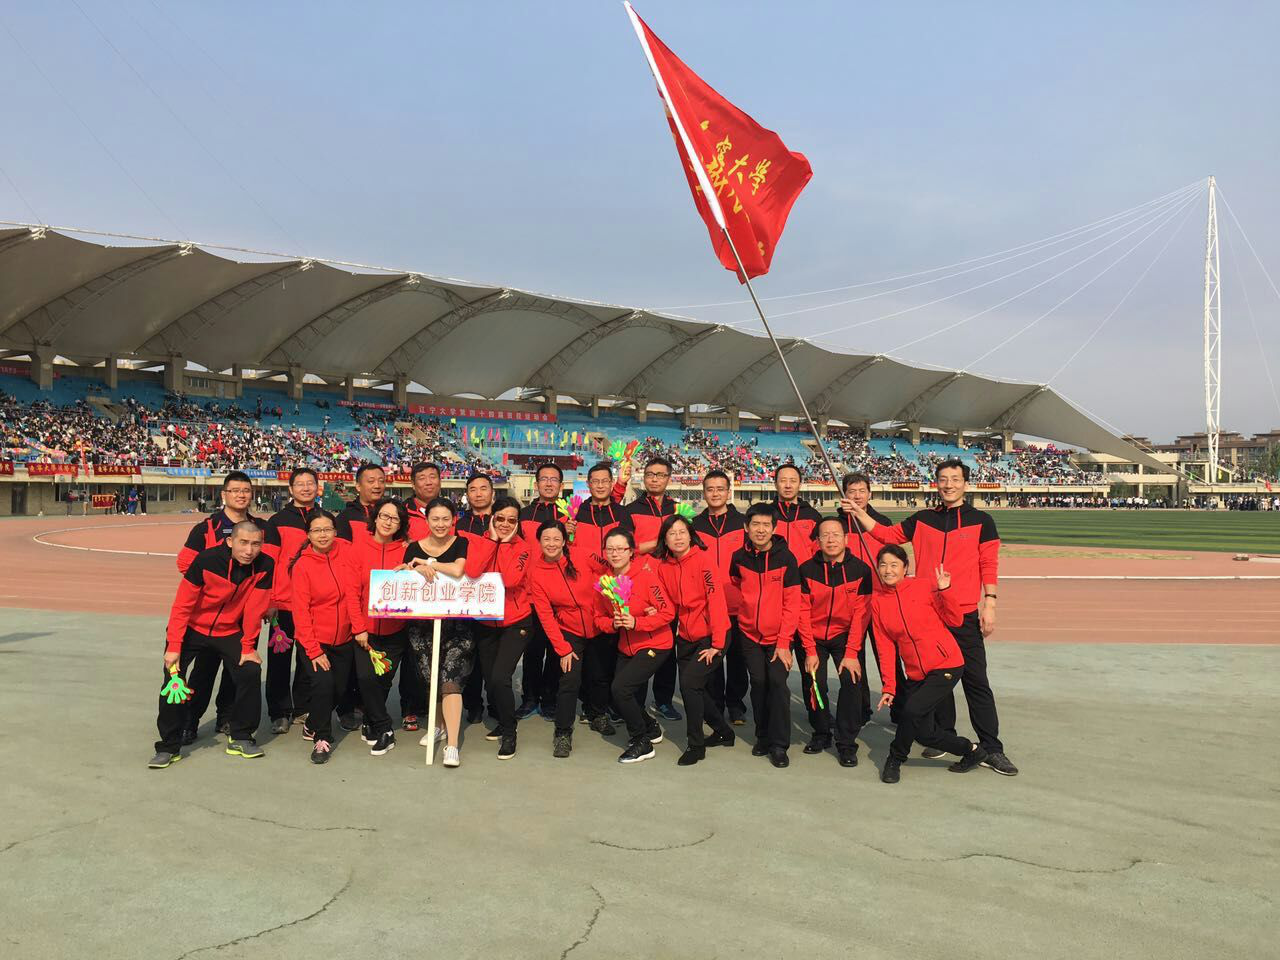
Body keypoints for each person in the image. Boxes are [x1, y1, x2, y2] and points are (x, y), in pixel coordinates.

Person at [845, 459, 1017, 776]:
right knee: (933, 679)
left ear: (965, 483)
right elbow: (887, 534)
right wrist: (859, 513)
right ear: (936, 483)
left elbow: (988, 564)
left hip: (963, 613)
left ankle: (992, 748)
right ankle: (944, 736)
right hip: (928, 613)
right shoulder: (923, 519)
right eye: (943, 479)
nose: (949, 484)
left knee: (976, 682)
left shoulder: (982, 521)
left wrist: (990, 603)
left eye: (955, 479)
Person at [149, 521, 273, 768]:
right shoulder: (207, 561)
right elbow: (183, 604)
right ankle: (169, 746)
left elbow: (254, 608)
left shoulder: (265, 565)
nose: (249, 550)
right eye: (243, 543)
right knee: (174, 682)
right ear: (230, 541)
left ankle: (240, 736)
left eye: (255, 544)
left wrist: (248, 647)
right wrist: (174, 645)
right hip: (191, 630)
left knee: (250, 670)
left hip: (228, 631)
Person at [869, 544, 988, 783]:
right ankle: (972, 751)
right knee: (923, 733)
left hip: (946, 663)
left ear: (905, 568)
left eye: (894, 565)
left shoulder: (923, 587)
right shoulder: (878, 601)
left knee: (911, 710)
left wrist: (946, 590)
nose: (888, 570)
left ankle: (895, 759)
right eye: (883, 565)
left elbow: (955, 620)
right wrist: (889, 686)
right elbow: (885, 647)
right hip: (916, 672)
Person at [175, 471, 275, 740]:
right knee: (204, 671)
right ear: (224, 495)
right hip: (210, 615)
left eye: (246, 490)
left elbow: (268, 569)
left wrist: (268, 601)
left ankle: (227, 718)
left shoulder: (259, 528)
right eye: (235, 490)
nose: (241, 495)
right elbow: (185, 563)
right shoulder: (207, 528)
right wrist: (216, 589)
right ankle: (189, 722)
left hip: (245, 615)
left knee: (238, 670)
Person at [730, 502, 811, 769]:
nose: (761, 530)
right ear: (746, 527)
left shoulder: (786, 559)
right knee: (758, 683)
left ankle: (779, 744)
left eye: (766, 525)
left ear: (774, 528)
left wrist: (784, 642)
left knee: (777, 684)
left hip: (779, 638)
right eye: (756, 524)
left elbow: (793, 604)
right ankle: (762, 736)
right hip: (749, 634)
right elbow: (737, 584)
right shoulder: (739, 557)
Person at [653, 514, 735, 765]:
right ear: (665, 540)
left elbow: (716, 601)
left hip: (712, 635)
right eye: (672, 533)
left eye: (682, 532)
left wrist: (717, 644)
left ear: (690, 535)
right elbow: (666, 602)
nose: (677, 537)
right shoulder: (664, 566)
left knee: (689, 684)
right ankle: (724, 732)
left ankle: (696, 745)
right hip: (686, 636)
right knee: (693, 688)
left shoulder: (704, 561)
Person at [400, 497, 471, 768]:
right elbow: (406, 575)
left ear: (453, 520)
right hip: (422, 626)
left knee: (450, 679)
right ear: (426, 520)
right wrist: (415, 567)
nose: (440, 524)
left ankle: (452, 745)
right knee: (432, 679)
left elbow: (458, 570)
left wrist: (427, 563)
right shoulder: (413, 548)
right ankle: (438, 726)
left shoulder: (461, 543)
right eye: (435, 519)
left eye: (445, 519)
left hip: (457, 624)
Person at [796, 518, 873, 767]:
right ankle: (821, 733)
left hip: (845, 637)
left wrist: (851, 653)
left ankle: (846, 743)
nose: (830, 540)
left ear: (846, 539)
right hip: (814, 637)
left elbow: (861, 616)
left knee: (851, 681)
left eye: (836, 534)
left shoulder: (861, 571)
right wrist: (809, 649)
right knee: (814, 683)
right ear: (817, 541)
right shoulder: (806, 570)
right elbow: (802, 612)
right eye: (825, 535)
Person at [593, 529, 674, 764]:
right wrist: (613, 624)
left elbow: (668, 612)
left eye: (621, 549)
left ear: (631, 552)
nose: (615, 553)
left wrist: (638, 622)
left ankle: (641, 742)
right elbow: (598, 618)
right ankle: (650, 727)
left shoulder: (647, 577)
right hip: (626, 646)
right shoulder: (605, 582)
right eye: (610, 549)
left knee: (621, 689)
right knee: (619, 694)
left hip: (655, 643)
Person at [528, 519, 607, 758]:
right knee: (569, 680)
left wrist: (608, 600)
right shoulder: (537, 573)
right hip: (569, 630)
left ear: (564, 540)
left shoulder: (583, 555)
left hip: (598, 623)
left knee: (599, 675)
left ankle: (597, 713)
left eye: (556, 539)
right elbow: (545, 615)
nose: (551, 544)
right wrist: (562, 648)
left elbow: (610, 570)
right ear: (539, 541)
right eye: (546, 539)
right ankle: (563, 732)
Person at [464, 496, 534, 760]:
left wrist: (503, 545)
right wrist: (492, 542)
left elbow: (512, 579)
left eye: (511, 520)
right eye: (500, 518)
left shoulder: (523, 547)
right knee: (490, 679)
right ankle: (504, 720)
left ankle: (509, 731)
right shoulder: (480, 541)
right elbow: (472, 572)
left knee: (499, 678)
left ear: (518, 523)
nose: (505, 524)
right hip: (485, 622)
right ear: (492, 518)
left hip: (516, 622)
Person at [263, 468, 328, 735]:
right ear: (290, 489)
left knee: (307, 657)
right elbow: (268, 563)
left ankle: (303, 706)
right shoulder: (277, 521)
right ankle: (279, 711)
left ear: (317, 487)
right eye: (300, 484)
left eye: (310, 483)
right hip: (283, 603)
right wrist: (270, 599)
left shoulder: (324, 519)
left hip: (314, 604)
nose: (305, 488)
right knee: (279, 660)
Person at [344, 497, 411, 757]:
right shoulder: (358, 549)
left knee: (383, 681)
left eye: (394, 518)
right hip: (365, 631)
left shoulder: (407, 550)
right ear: (375, 518)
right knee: (365, 677)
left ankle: (370, 720)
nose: (388, 522)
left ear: (401, 524)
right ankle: (385, 728)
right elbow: (352, 593)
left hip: (396, 630)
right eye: (384, 515)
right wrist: (359, 628)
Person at [836, 471, 905, 726]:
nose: (857, 496)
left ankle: (900, 708)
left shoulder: (881, 522)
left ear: (869, 493)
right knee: (856, 659)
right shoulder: (837, 525)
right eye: (851, 491)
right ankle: (861, 709)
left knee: (889, 657)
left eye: (861, 491)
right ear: (844, 494)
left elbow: (893, 562)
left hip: (878, 599)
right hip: (850, 603)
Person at [290, 512, 356, 764]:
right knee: (323, 685)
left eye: (327, 529)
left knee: (339, 689)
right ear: (308, 535)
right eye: (316, 530)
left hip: (344, 638)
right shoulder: (303, 565)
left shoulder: (347, 553)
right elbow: (300, 611)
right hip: (315, 641)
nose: (323, 535)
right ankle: (322, 738)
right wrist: (314, 649)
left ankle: (312, 724)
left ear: (336, 531)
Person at [621, 456, 681, 722]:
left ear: (669, 478)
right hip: (640, 586)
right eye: (650, 474)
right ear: (643, 478)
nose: (655, 479)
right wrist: (657, 543)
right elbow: (625, 547)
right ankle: (635, 702)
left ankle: (664, 700)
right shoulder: (631, 509)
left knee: (667, 648)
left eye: (660, 475)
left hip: (670, 585)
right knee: (639, 645)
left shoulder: (677, 509)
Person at [691, 469, 749, 725]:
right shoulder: (695, 525)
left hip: (738, 604)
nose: (715, 494)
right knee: (711, 660)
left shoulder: (743, 523)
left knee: (737, 660)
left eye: (720, 489)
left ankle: (735, 705)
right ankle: (714, 707)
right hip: (707, 606)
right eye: (710, 489)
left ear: (728, 492)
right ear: (704, 493)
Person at [332, 463, 387, 730]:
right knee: (350, 657)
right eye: (370, 480)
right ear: (358, 485)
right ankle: (346, 707)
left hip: (382, 597)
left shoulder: (388, 513)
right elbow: (341, 557)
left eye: (381, 480)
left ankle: (368, 706)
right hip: (352, 595)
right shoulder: (346, 518)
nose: (377, 485)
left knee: (372, 657)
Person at [515, 463, 567, 721]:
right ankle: (530, 698)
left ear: (561, 485)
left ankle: (550, 699)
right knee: (533, 651)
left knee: (556, 650)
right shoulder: (523, 515)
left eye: (553, 479)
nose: (548, 483)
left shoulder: (570, 515)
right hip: (531, 595)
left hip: (560, 595)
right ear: (536, 484)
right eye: (544, 479)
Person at [455, 472, 496, 724]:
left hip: (495, 598)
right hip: (467, 597)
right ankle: (473, 705)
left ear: (493, 492)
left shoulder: (503, 520)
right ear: (467, 495)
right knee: (469, 657)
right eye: (473, 489)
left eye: (483, 488)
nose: (478, 493)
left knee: (492, 659)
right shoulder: (459, 524)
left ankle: (496, 704)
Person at [769, 463, 823, 565]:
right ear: (775, 484)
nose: (788, 486)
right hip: (774, 572)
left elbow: (819, 550)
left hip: (804, 572)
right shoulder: (766, 514)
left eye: (793, 481)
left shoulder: (813, 515)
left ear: (800, 485)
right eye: (783, 481)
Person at [403, 461, 448, 542]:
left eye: (432, 477)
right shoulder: (401, 513)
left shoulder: (451, 512)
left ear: (440, 481)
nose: (428, 482)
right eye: (422, 478)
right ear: (413, 484)